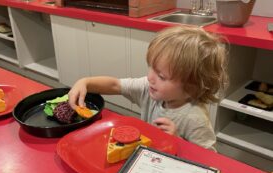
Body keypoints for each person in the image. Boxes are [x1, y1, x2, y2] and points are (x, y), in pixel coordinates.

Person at [68, 26, 229, 151]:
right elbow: (115, 85)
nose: (151, 77)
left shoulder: (195, 119)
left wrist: (178, 141)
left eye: (162, 76)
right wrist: (86, 82)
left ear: (191, 88)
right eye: (151, 67)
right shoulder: (149, 87)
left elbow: (209, 161)